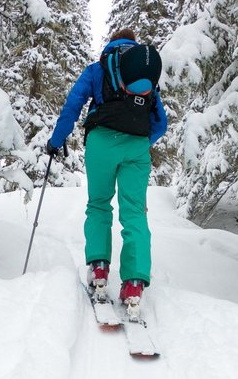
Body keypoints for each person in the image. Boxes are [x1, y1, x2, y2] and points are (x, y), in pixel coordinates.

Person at [46, 29, 168, 309]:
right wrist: (138, 144)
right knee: (134, 212)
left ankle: (100, 269)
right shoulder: (145, 74)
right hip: (137, 147)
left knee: (99, 204)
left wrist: (56, 140)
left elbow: (73, 104)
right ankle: (134, 283)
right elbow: (160, 124)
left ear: (111, 43)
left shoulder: (98, 69)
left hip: (101, 143)